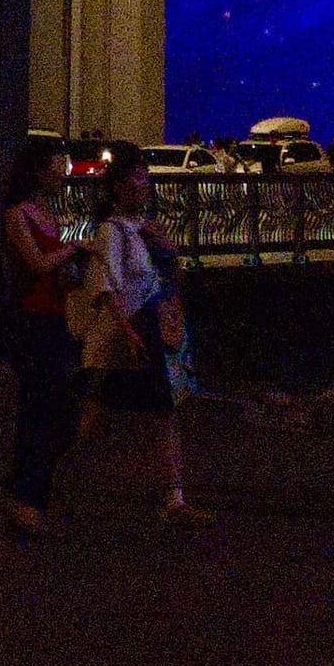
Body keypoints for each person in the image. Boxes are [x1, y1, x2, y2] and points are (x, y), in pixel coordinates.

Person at [77, 145, 210, 526]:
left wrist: (168, 249)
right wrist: (128, 331)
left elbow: (172, 278)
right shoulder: (111, 231)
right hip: (120, 343)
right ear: (118, 186)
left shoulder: (147, 229)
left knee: (164, 413)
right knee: (95, 420)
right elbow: (106, 288)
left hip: (152, 337)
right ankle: (53, 486)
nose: (145, 184)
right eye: (137, 177)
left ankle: (174, 499)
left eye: (146, 177)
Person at [0, 134, 86, 540]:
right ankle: (28, 501)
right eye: (58, 169)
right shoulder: (18, 215)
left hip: (54, 317)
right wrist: (74, 248)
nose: (63, 176)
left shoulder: (47, 213)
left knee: (59, 412)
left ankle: (29, 492)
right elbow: (36, 263)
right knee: (43, 412)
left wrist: (72, 274)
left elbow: (52, 270)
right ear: (38, 173)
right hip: (31, 323)